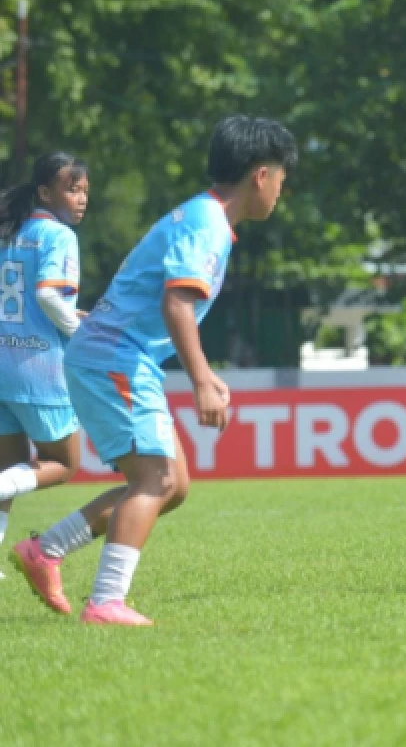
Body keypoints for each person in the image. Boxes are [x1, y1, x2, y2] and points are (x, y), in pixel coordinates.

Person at [10, 116, 297, 625]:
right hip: (115, 357)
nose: (281, 189)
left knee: (172, 484)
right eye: (281, 177)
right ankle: (106, 603)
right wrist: (202, 379)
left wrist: (204, 373)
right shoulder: (207, 225)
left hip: (115, 355)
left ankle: (45, 550)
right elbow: (177, 305)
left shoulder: (204, 217)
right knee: (156, 479)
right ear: (260, 176)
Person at [0, 153, 90, 576]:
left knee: (10, 466)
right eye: (72, 189)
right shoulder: (58, 235)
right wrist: (80, 331)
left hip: (2, 361)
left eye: (85, 190)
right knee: (64, 463)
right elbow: (48, 296)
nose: (82, 198)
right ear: (44, 193)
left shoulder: (10, 230)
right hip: (37, 367)